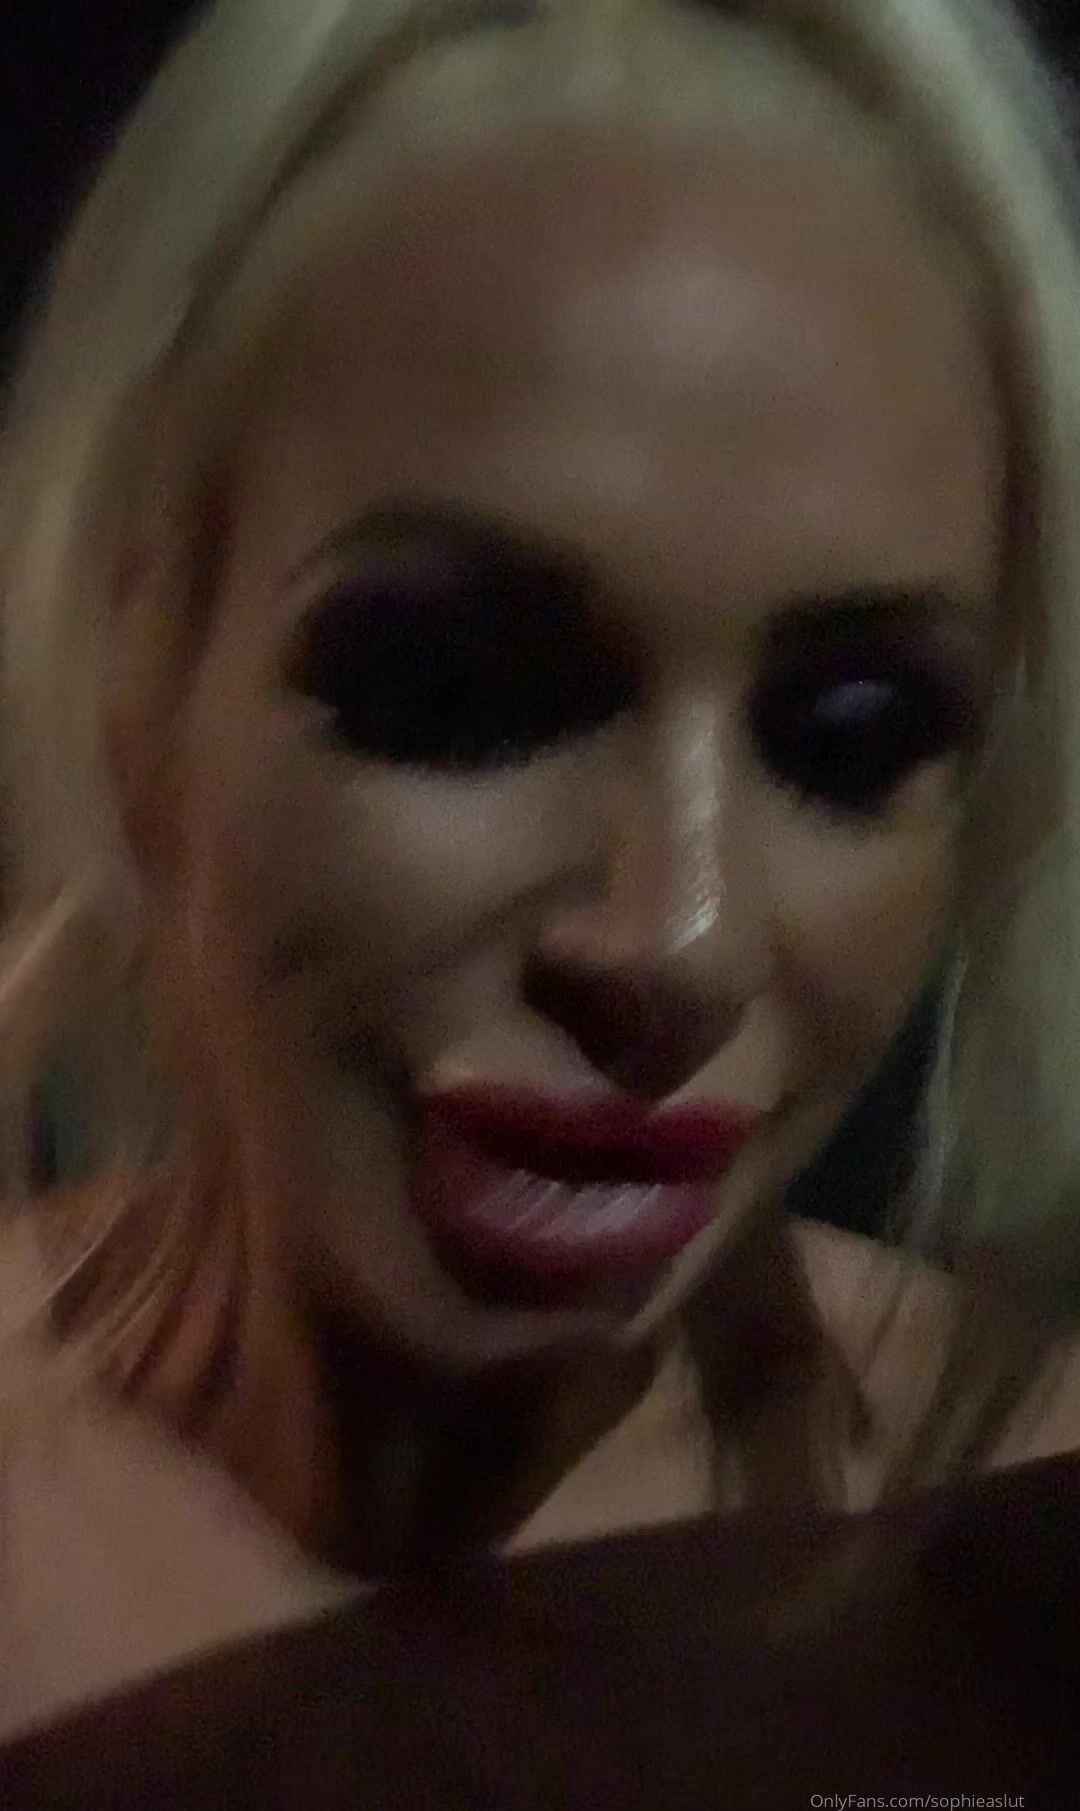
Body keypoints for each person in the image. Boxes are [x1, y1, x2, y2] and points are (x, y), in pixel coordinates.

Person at [2, 0, 1080, 1761]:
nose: (685, 942)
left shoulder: (1022, 1555)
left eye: (853, 734)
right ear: (144, 662)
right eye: (458, 690)